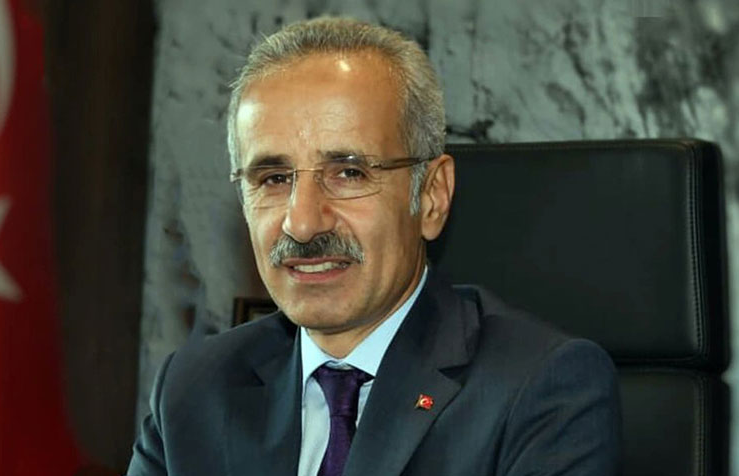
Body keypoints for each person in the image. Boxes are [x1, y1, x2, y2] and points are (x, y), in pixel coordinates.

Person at [128, 17, 620, 476]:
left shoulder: (541, 390)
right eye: (274, 178)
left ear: (431, 196)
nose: (302, 224)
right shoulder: (194, 390)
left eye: (348, 173)